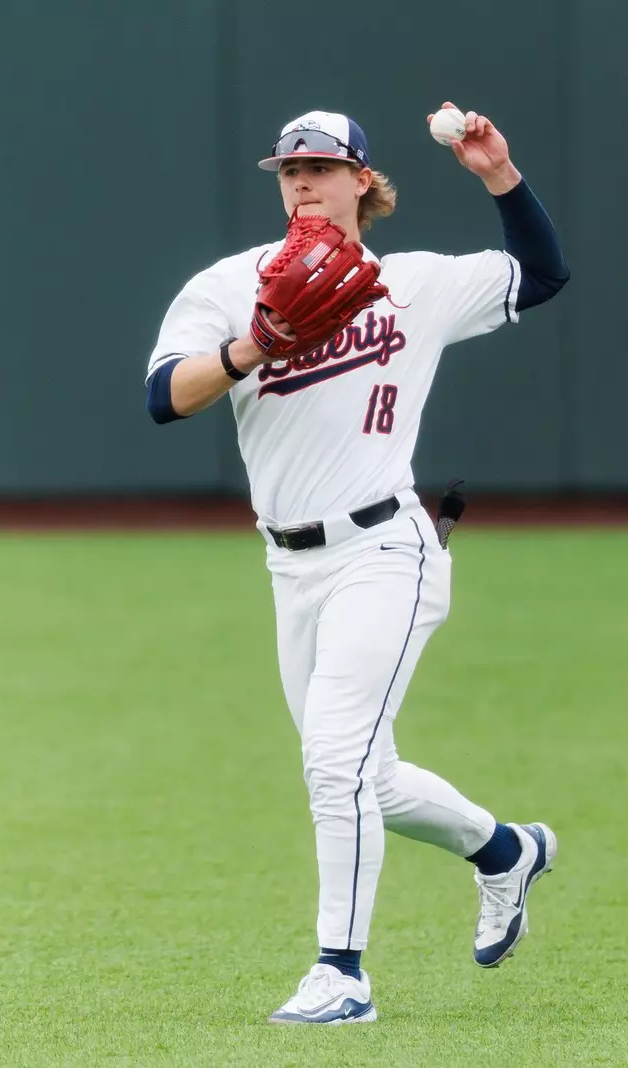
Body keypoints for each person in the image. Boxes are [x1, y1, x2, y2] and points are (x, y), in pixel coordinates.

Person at [143, 103, 570, 1025]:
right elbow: (162, 399)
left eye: (322, 166)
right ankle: (505, 852)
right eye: (289, 167)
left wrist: (497, 171)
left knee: (331, 762)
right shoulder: (231, 285)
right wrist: (257, 343)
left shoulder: (411, 285)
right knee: (365, 774)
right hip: (291, 567)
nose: (301, 179)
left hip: (386, 548)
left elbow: (542, 274)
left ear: (362, 183)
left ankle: (342, 973)